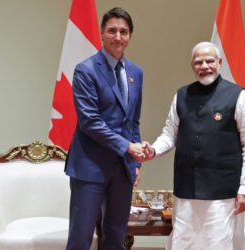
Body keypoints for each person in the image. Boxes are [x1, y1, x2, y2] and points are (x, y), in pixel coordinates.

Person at [143, 41, 245, 250]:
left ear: (219, 63)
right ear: (192, 66)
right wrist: (153, 150)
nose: (204, 66)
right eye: (198, 62)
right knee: (183, 244)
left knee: (216, 244)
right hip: (186, 188)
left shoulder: (237, 95)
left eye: (209, 61)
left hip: (222, 191)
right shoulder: (181, 95)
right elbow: (169, 134)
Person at [64, 7, 145, 250]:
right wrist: (128, 147)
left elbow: (133, 122)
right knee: (81, 239)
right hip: (90, 168)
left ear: (130, 36)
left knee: (116, 238)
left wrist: (136, 162)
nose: (117, 37)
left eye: (124, 31)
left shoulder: (136, 73)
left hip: (122, 169)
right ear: (102, 34)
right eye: (112, 31)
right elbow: (90, 122)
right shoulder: (85, 70)